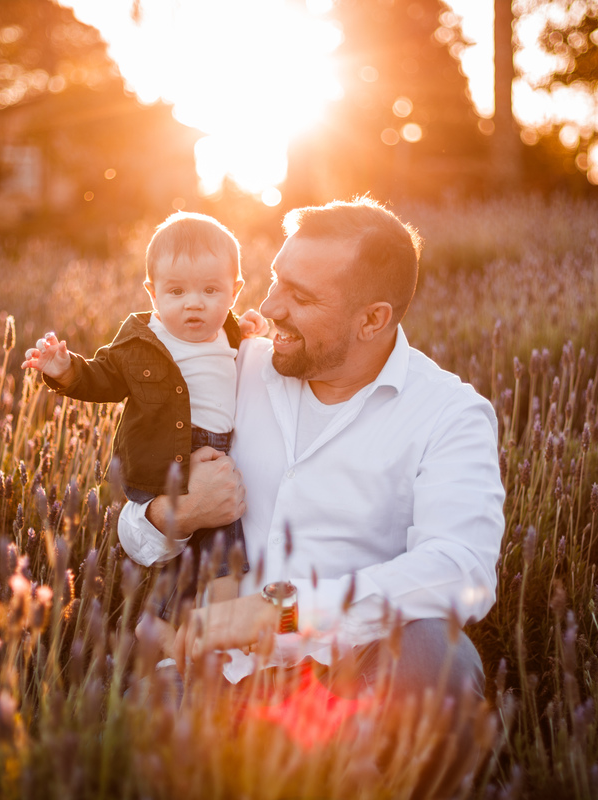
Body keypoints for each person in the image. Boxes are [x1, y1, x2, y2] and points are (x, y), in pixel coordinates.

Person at [117, 197, 505, 705]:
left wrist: (285, 611)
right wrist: (182, 511)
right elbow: (133, 527)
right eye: (276, 279)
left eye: (299, 296)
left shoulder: (448, 413)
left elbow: (463, 569)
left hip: (348, 676)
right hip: (216, 670)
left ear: (372, 320)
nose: (271, 306)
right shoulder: (232, 367)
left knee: (439, 655)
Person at [21, 212, 267, 614]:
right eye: (176, 292)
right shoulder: (142, 342)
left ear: (234, 292)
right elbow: (102, 378)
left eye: (210, 290)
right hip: (166, 454)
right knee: (178, 558)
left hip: (220, 454)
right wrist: (64, 368)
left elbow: (240, 358)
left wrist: (252, 328)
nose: (194, 303)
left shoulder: (230, 331)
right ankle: (165, 627)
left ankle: (216, 630)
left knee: (227, 557)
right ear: (152, 294)